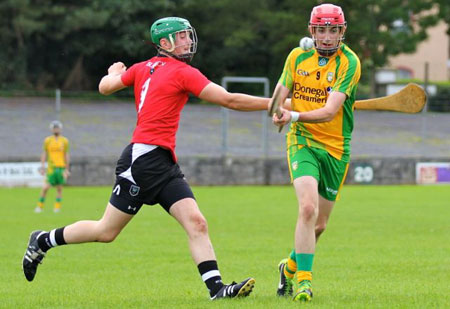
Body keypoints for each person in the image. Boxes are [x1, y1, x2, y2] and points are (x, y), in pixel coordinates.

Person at [22, 17, 269, 300]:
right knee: (106, 231)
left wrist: (113, 72)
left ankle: (217, 290)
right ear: (165, 44)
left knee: (195, 222)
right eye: (182, 36)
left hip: (159, 160)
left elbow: (104, 87)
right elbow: (229, 100)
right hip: (142, 161)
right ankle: (43, 239)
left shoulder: (142, 68)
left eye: (188, 35)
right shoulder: (182, 72)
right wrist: (276, 103)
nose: (189, 41)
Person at [270, 4, 361, 302]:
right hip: (303, 142)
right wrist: (278, 110)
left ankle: (289, 267)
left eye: (333, 30)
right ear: (312, 30)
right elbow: (279, 96)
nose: (326, 37)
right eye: (321, 30)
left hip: (336, 148)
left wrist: (292, 115)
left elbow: (330, 111)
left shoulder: (349, 62)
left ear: (342, 32)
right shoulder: (297, 57)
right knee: (307, 209)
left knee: (319, 224)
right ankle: (304, 284)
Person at [34, 120, 70, 213]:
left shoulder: (64, 141)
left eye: (57, 127)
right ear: (51, 129)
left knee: (59, 189)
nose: (56, 129)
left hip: (61, 168)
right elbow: (44, 154)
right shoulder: (48, 140)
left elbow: (66, 155)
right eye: (54, 128)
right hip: (51, 168)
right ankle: (40, 206)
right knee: (45, 188)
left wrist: (66, 169)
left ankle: (57, 207)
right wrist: (42, 167)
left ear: (60, 129)